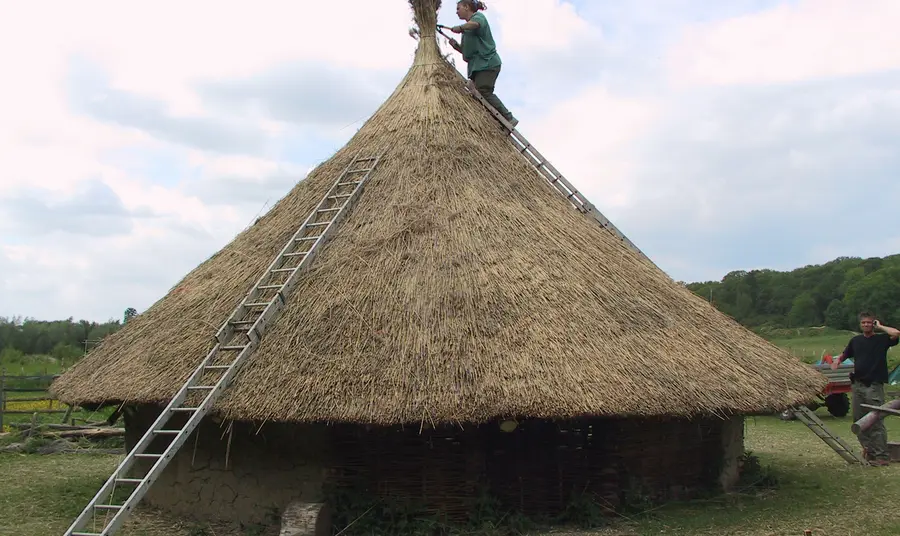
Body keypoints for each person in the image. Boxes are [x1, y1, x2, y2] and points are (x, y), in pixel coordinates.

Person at [831, 311, 900, 465]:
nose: (866, 325)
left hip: (873, 386)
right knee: (859, 421)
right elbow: (845, 354)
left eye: (869, 322)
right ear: (860, 324)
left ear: (873, 323)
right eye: (863, 323)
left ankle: (882, 456)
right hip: (858, 385)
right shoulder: (856, 340)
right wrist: (837, 361)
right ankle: (869, 451)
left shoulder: (882, 339)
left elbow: (896, 333)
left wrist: (880, 326)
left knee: (875, 419)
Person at [445, 1, 518, 127]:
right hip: (478, 66)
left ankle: (508, 117)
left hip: (487, 63)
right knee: (477, 95)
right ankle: (498, 121)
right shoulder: (467, 31)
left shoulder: (477, 18)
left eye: (458, 8)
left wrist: (460, 28)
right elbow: (468, 51)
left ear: (467, 7)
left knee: (483, 91)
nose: (456, 11)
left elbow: (475, 25)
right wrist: (456, 46)